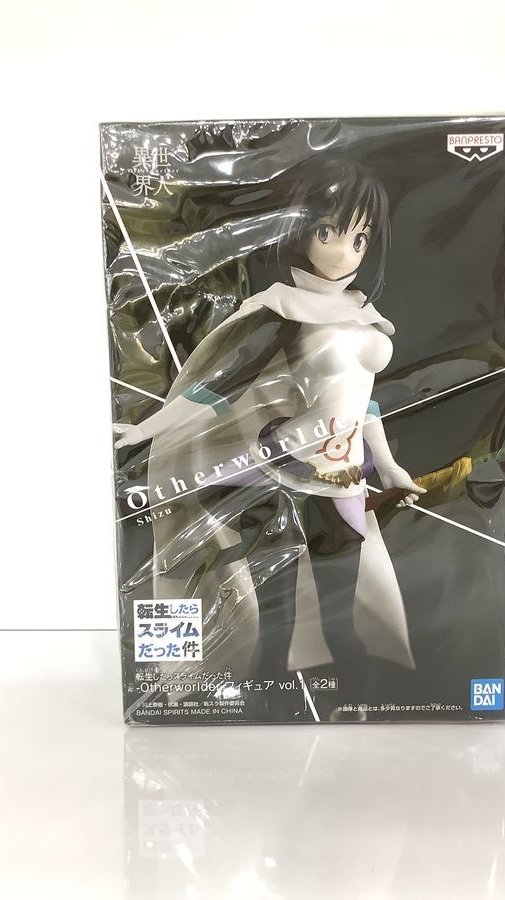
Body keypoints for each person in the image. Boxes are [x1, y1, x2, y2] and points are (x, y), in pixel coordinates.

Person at [113, 157, 425, 699]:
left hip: (345, 478)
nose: (343, 252)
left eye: (359, 238)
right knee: (280, 604)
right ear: (301, 230)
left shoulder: (361, 312)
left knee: (342, 598)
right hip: (288, 473)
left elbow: (362, 405)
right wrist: (147, 430)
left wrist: (392, 467)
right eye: (328, 232)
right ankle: (255, 689)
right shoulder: (281, 312)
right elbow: (217, 391)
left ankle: (345, 691)